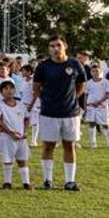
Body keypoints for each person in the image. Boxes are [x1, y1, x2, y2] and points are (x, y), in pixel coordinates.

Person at [32, 36, 86, 191]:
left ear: (65, 46)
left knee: (69, 146)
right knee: (48, 146)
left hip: (70, 113)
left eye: (58, 45)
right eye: (52, 46)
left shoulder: (74, 64)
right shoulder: (43, 66)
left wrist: (72, 98)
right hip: (49, 112)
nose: (55, 48)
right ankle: (47, 180)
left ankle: (70, 181)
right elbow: (36, 87)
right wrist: (45, 100)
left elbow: (81, 85)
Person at [0, 79, 33, 189]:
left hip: (21, 137)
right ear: (1, 92)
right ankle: (7, 182)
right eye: (6, 89)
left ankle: (26, 183)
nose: (9, 91)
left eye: (11, 88)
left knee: (22, 159)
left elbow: (26, 118)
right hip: (7, 137)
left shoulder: (20, 104)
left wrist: (24, 131)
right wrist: (10, 132)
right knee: (8, 160)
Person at [83, 65, 109, 149]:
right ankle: (93, 143)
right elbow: (85, 95)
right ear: (91, 73)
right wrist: (85, 106)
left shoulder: (106, 82)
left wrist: (99, 101)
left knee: (105, 124)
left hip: (102, 107)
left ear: (100, 72)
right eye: (93, 71)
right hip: (91, 107)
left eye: (97, 71)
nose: (95, 73)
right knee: (92, 124)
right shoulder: (88, 83)